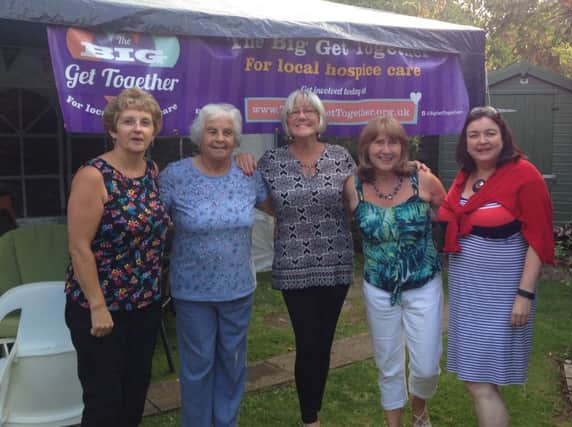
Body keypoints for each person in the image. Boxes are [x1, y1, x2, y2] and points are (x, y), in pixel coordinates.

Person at [437, 106, 555, 427]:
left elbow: (539, 239)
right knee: (476, 378)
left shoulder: (524, 175)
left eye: (490, 133)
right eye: (474, 135)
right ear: (465, 141)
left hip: (502, 293)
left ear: (503, 137)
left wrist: (524, 294)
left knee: (479, 380)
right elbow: (448, 210)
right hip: (468, 292)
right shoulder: (466, 175)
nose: (482, 141)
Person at [158, 103, 271, 427]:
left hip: (237, 289)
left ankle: (226, 422)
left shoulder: (248, 175)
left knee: (232, 365)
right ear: (199, 135)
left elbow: (280, 208)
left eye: (227, 132)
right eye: (212, 131)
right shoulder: (176, 176)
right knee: (198, 366)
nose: (220, 138)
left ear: (236, 139)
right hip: (193, 291)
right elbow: (153, 222)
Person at [251, 89, 356, 427]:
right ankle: (309, 418)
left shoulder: (340, 157)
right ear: (286, 120)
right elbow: (258, 197)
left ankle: (315, 404)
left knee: (324, 342)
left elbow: (354, 202)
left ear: (319, 118)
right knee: (307, 341)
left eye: (309, 111)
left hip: (336, 261)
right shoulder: (271, 160)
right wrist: (281, 213)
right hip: (294, 264)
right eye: (294, 112)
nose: (301, 116)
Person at [65, 87, 169, 426]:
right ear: (113, 130)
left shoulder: (152, 172)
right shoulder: (93, 176)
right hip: (102, 311)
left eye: (145, 122)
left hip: (144, 305)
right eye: (128, 122)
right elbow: (79, 247)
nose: (137, 129)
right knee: (103, 403)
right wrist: (97, 306)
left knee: (134, 395)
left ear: (154, 131)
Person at [342, 116, 446, 427]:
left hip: (423, 284)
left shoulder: (424, 181)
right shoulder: (353, 186)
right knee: (388, 363)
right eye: (378, 142)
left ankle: (419, 408)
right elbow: (336, 223)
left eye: (393, 142)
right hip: (379, 287)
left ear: (403, 148)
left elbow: (451, 216)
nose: (386, 149)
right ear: (366, 148)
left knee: (426, 365)